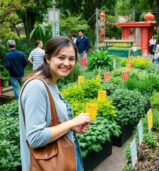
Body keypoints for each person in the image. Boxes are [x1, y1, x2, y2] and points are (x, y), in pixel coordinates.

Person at [19, 36, 91, 170]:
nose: (67, 63)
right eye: (61, 57)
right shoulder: (36, 87)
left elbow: (52, 123)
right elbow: (35, 137)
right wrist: (72, 122)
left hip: (67, 156)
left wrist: (72, 128)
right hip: (53, 163)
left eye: (71, 59)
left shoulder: (51, 82)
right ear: (47, 58)